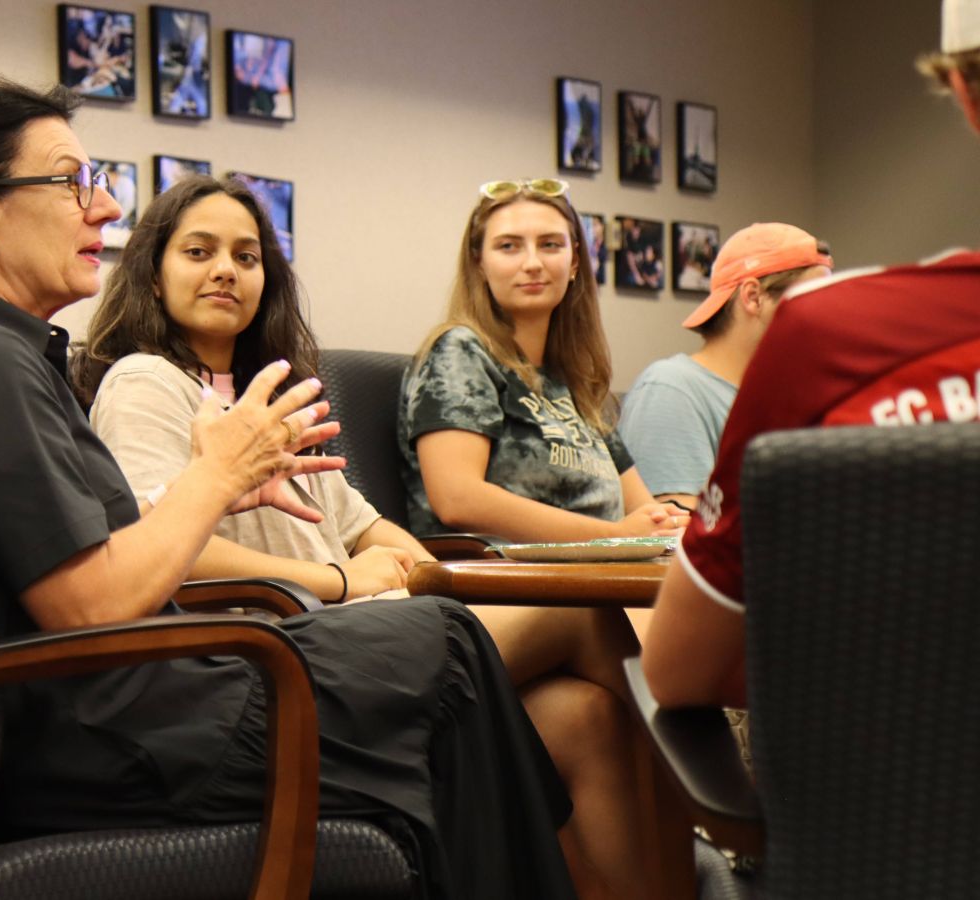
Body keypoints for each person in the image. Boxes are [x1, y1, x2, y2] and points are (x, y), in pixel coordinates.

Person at [0, 75, 580, 899]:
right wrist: (215, 477)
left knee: (463, 681)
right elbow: (89, 606)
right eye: (73, 183)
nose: (103, 209)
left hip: (109, 709)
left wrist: (222, 487)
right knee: (447, 646)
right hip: (118, 735)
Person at [74, 174, 694, 899]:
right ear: (152, 276)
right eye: (199, 252)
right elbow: (164, 552)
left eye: (246, 257)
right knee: (585, 613)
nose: (225, 270)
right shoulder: (146, 382)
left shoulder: (270, 396)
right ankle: (728, 806)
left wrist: (410, 571)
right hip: (268, 660)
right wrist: (344, 582)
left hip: (358, 637)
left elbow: (370, 528)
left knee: (584, 718)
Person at [643, 0, 980, 710]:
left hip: (890, 789)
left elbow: (678, 673)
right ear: (751, 297)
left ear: (962, 93)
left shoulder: (835, 338)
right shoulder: (677, 389)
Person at [399, 179, 688, 545]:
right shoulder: (460, 351)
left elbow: (641, 508)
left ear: (574, 262)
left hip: (599, 577)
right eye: (509, 247)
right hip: (498, 582)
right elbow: (458, 499)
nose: (533, 263)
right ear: (479, 264)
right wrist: (615, 537)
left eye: (550, 245)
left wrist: (670, 524)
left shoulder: (575, 378)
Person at [618, 224, 833, 507]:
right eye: (814, 299)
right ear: (753, 297)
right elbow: (678, 541)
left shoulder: (795, 400)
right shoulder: (671, 390)